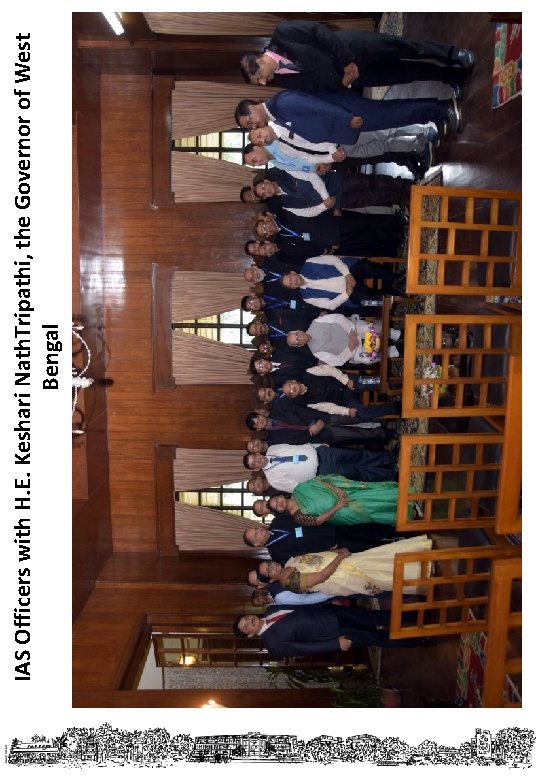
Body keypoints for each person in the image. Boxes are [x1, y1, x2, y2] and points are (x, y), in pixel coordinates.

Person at [240, 19, 474, 93]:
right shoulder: (282, 80)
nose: (263, 82)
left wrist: (347, 62)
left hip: (355, 49)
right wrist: (341, 83)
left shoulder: (283, 33)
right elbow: (316, 89)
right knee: (405, 73)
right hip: (358, 77)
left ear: (259, 61)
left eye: (259, 77)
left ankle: (454, 55)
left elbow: (320, 32)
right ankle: (449, 76)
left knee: (409, 48)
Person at [244, 92, 455, 147]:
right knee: (394, 117)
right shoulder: (277, 115)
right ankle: (435, 110)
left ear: (253, 107)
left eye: (250, 121)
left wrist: (347, 118)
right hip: (346, 122)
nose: (254, 125)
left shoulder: (281, 103)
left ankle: (443, 108)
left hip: (348, 114)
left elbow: (317, 106)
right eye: (251, 126)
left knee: (395, 113)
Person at [257, 532, 432, 596]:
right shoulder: (288, 582)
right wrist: (340, 557)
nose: (272, 566)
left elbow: (315, 557)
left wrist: (335, 552)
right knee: (383, 575)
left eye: (269, 564)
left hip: (344, 562)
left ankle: (420, 559)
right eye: (269, 570)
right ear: (270, 579)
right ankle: (421, 574)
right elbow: (320, 576)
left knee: (380, 558)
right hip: (342, 577)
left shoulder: (289, 562)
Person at [233, 602, 424, 654]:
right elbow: (304, 649)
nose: (249, 621)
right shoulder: (273, 644)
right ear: (249, 635)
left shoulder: (271, 609)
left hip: (332, 613)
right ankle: (415, 640)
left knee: (375, 616)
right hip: (335, 634)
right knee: (377, 637)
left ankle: (415, 615)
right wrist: (334, 644)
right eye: (246, 626)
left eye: (246, 618)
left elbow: (302, 605)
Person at [243, 511, 416, 564]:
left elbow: (303, 515)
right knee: (368, 547)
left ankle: (404, 532)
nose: (259, 531)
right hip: (331, 544)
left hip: (331, 524)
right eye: (256, 535)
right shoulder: (277, 554)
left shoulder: (277, 521)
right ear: (257, 544)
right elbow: (305, 558)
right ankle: (402, 551)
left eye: (256, 528)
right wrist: (330, 552)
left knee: (370, 528)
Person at [256, 473, 414, 526]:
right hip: (344, 511)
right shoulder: (297, 516)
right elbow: (318, 520)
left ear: (280, 495)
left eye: (276, 499)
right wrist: (338, 506)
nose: (279, 503)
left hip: (344, 493)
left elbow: (319, 481)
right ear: (280, 511)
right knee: (372, 509)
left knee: (373, 494)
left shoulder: (299, 489)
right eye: (277, 506)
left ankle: (409, 494)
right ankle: (409, 511)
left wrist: (337, 490)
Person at [251, 166, 411, 217]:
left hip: (336, 182)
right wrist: (325, 206)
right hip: (337, 202)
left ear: (266, 181)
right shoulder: (284, 204)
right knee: (372, 198)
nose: (266, 191)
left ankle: (404, 185)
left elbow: (311, 176)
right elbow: (307, 213)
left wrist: (325, 197)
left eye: (263, 187)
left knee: (371, 182)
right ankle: (400, 196)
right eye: (264, 194)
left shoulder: (284, 173)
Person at [243, 442, 397, 493]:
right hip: (321, 472)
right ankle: (389, 474)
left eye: (254, 456)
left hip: (322, 453)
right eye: (254, 463)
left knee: (357, 455)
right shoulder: (274, 480)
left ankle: (389, 457)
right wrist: (322, 484)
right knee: (357, 472)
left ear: (257, 452)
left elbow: (296, 446)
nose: (257, 460)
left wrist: (317, 445)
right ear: (255, 470)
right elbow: (298, 488)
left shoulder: (272, 449)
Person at [253, 209, 406, 260]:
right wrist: (325, 248)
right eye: (265, 232)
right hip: (331, 241)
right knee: (365, 238)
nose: (268, 230)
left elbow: (309, 209)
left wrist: (330, 211)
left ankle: (397, 222)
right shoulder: (282, 239)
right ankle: (395, 237)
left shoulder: (283, 213)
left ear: (267, 220)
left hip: (330, 222)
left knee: (366, 222)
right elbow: (307, 247)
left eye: (264, 226)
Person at [279, 255, 404, 311]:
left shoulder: (309, 263)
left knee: (366, 267)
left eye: (290, 278)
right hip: (347, 294)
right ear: (292, 288)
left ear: (292, 272)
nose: (293, 282)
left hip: (348, 271)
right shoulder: (307, 297)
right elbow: (330, 305)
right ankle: (395, 297)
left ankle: (397, 279)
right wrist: (346, 293)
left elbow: (333, 260)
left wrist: (347, 275)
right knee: (365, 300)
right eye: (290, 284)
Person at [286, 312, 402, 367]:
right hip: (353, 350)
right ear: (299, 346)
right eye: (296, 341)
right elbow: (337, 361)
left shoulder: (316, 322)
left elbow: (338, 318)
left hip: (353, 329)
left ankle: (397, 335)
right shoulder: (316, 352)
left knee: (371, 328)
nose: (299, 338)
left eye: (296, 335)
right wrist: (350, 348)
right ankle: (395, 350)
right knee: (368, 360)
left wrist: (351, 333)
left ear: (299, 331)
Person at [279, 373, 398, 422]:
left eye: (290, 385)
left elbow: (330, 371)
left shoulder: (308, 373)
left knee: (364, 382)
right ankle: (394, 408)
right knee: (362, 414)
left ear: (294, 381)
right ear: (293, 396)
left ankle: (392, 383)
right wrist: (347, 411)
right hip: (345, 401)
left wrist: (345, 380)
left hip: (345, 383)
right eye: (290, 392)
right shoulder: (308, 403)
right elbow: (329, 408)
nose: (292, 389)